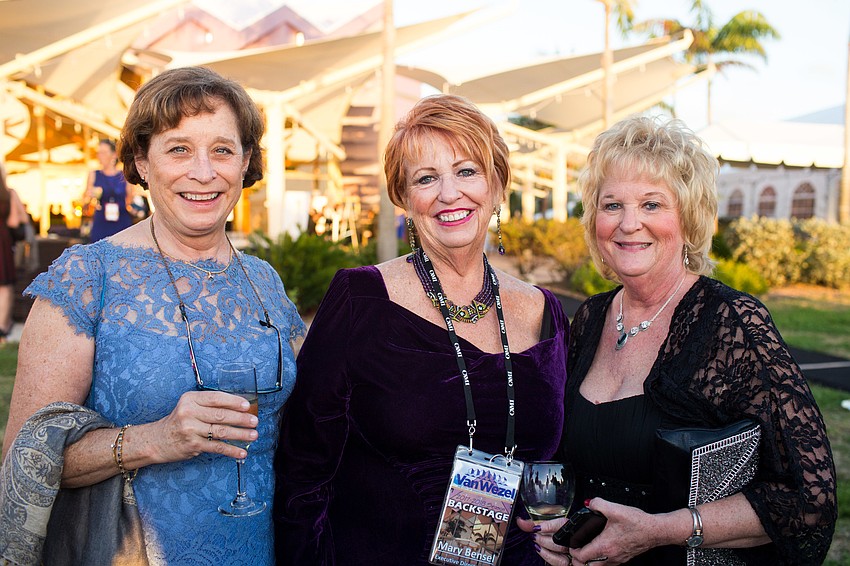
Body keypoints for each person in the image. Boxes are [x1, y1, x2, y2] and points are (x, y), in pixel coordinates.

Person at [1, 66, 305, 565]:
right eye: (179, 148)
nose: (204, 172)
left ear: (246, 161)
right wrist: (155, 440)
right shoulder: (87, 277)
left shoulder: (263, 280)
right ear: (141, 161)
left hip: (262, 550)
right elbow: (26, 459)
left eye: (223, 150)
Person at [519, 116, 836, 565]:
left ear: (687, 219)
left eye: (652, 205)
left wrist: (662, 531)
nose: (630, 224)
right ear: (594, 221)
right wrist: (556, 525)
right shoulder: (589, 318)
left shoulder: (731, 323)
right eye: (612, 206)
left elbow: (809, 499)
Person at [274, 94, 569, 564]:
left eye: (467, 171)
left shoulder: (544, 312)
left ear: (497, 185)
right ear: (404, 198)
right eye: (426, 178)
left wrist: (557, 524)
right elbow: (302, 472)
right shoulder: (361, 300)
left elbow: (555, 458)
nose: (449, 193)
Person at [82, 138, 135, 241]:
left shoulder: (124, 176)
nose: (100, 156)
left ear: (114, 155)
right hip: (101, 222)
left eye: (104, 152)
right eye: (99, 152)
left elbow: (130, 201)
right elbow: (85, 200)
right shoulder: (94, 174)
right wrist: (89, 197)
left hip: (122, 222)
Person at [0, 161, 27, 339]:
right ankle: (2, 325)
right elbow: (15, 222)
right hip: (3, 242)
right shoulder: (8, 194)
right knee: (5, 284)